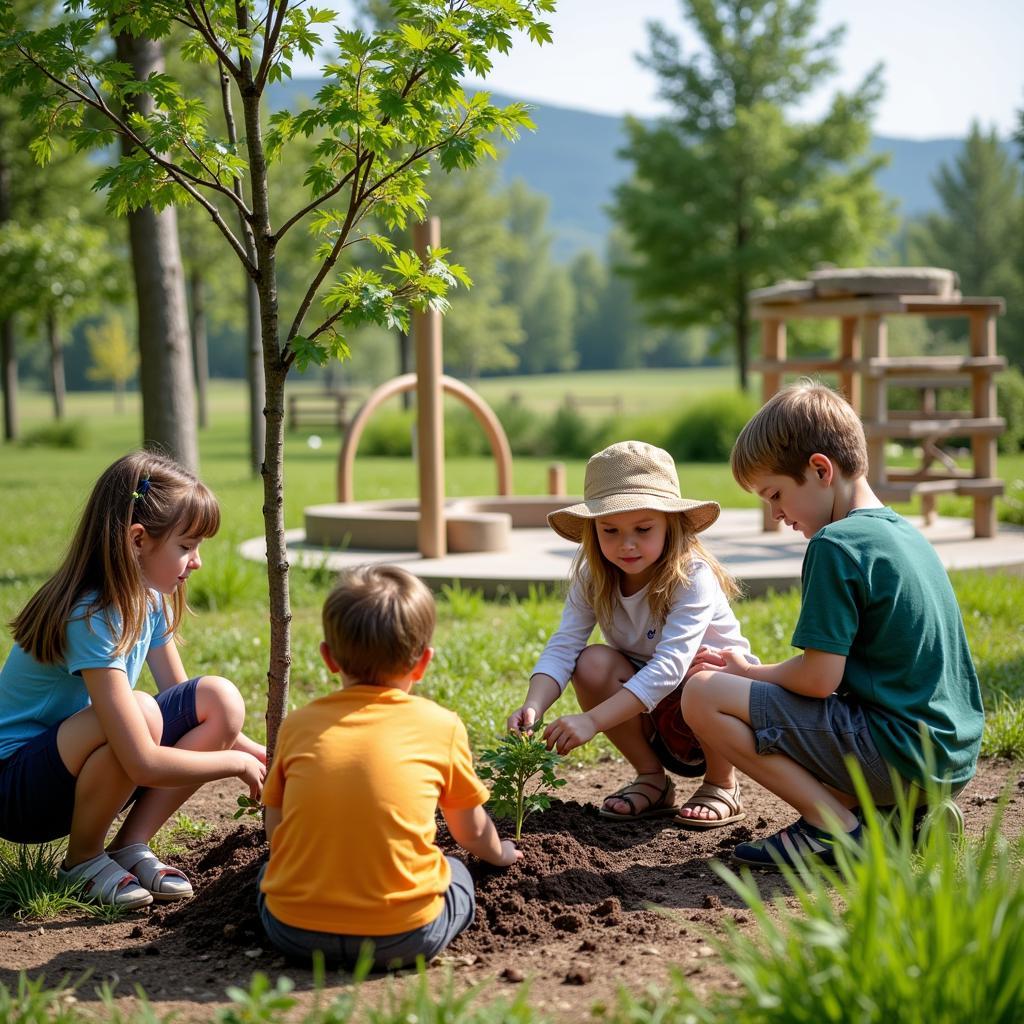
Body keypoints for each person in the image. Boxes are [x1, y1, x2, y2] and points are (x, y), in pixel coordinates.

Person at [680, 380, 983, 867]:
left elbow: (819, 680)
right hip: (950, 758)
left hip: (898, 756)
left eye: (775, 494)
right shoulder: (904, 534)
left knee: (702, 694)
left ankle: (834, 827)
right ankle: (902, 820)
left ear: (821, 469)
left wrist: (746, 670)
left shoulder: (836, 545)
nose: (776, 513)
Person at [0, 452, 267, 908]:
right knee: (140, 713)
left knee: (218, 699)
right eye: (186, 546)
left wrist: (263, 754)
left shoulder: (149, 598)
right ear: (138, 540)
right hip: (17, 790)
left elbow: (183, 704)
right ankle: (82, 860)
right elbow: (142, 760)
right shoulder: (91, 614)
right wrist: (236, 767)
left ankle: (130, 844)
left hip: (74, 765)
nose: (197, 562)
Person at [257, 564, 521, 971]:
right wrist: (499, 853)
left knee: (264, 878)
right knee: (455, 871)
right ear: (423, 663)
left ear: (328, 657)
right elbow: (469, 830)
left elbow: (276, 821)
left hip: (295, 934)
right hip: (402, 937)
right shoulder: (440, 726)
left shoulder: (297, 725)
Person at [507, 440, 757, 825]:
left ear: (671, 525)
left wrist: (591, 721)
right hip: (649, 712)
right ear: (593, 530)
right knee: (590, 662)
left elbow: (672, 667)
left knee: (705, 675)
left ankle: (722, 783)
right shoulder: (593, 579)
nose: (627, 544)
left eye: (643, 529)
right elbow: (564, 646)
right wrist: (534, 704)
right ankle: (652, 780)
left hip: (717, 713)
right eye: (610, 530)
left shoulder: (692, 576)